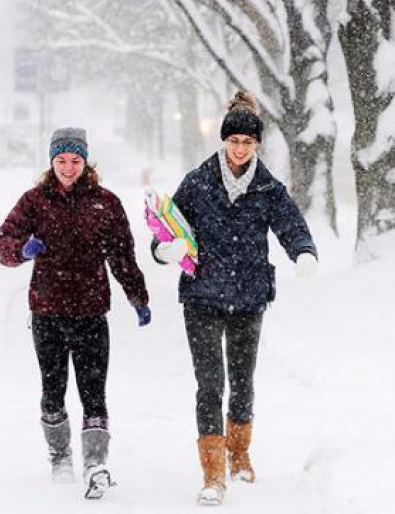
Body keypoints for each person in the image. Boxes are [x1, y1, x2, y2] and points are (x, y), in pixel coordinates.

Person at [152, 91, 318, 506]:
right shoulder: (198, 182)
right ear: (223, 141)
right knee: (210, 384)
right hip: (202, 297)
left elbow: (290, 224)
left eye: (248, 142)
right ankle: (212, 472)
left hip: (249, 297)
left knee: (242, 383)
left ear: (257, 144)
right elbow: (166, 228)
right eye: (234, 141)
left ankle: (239, 452)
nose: (240, 148)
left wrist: (304, 251)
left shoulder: (268, 188)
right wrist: (163, 250)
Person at [0, 127, 151, 500]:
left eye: (75, 160)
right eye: (61, 161)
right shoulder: (34, 201)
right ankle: (60, 455)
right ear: (51, 162)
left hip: (91, 312)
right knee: (53, 392)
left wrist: (138, 297)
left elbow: (123, 256)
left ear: (86, 162)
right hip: (47, 312)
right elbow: (2, 243)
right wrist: (22, 250)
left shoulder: (106, 204)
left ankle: (95, 464)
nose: (68, 167)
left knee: (94, 393)